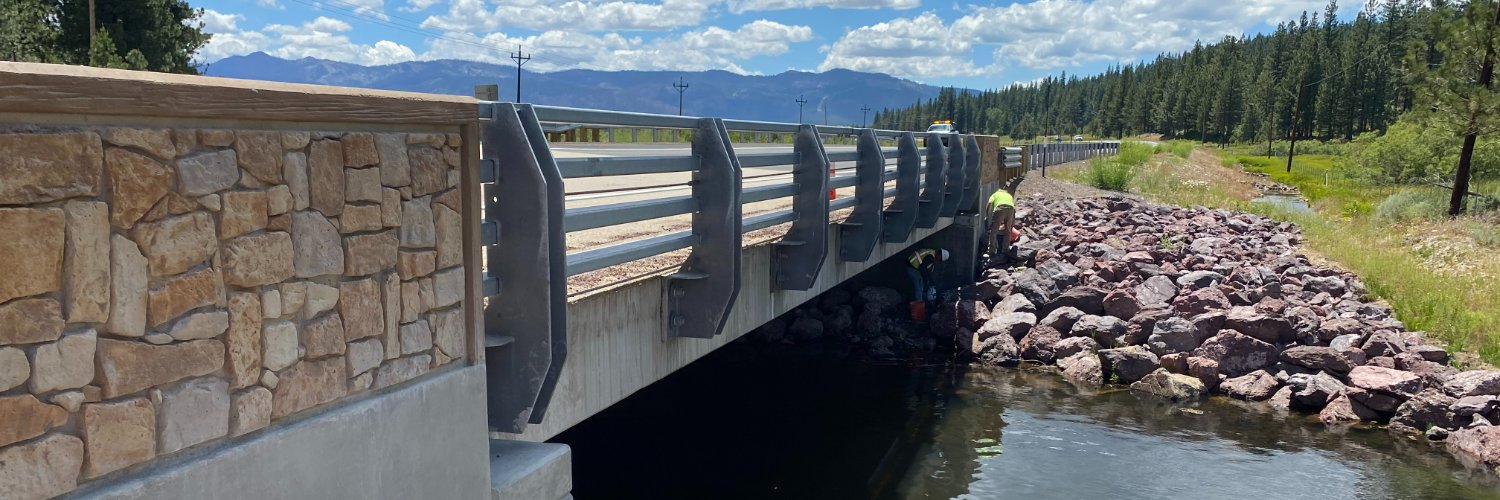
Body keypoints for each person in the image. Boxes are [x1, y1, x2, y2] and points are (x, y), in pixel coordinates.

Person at [984, 188, 1019, 261]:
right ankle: (1005, 250)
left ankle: (991, 251)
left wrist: (987, 215)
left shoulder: (995, 194)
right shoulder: (1008, 195)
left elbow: (989, 203)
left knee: (993, 231)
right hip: (1011, 209)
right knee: (1008, 231)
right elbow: (1013, 207)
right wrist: (1012, 221)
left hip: (1000, 208)